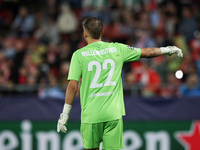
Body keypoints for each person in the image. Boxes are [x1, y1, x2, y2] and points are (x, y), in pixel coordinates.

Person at [57, 17, 183, 150]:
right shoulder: (117, 49)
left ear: (85, 33)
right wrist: (167, 50)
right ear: (102, 32)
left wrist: (65, 114)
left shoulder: (79, 55)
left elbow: (72, 86)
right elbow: (147, 52)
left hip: (91, 115)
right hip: (113, 114)